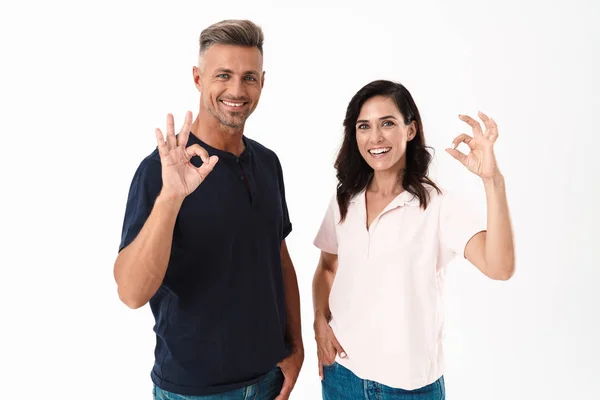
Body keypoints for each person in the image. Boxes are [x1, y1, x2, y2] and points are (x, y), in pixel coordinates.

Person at [113, 19, 304, 400]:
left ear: (262, 82)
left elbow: (278, 256)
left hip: (269, 381)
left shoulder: (267, 163)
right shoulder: (161, 170)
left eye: (249, 77)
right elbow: (131, 293)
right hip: (195, 391)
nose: (237, 90)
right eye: (223, 75)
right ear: (198, 78)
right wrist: (171, 196)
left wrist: (295, 346)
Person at [312, 80, 515, 399]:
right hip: (341, 378)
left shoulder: (439, 205)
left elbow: (499, 267)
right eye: (364, 126)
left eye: (387, 123)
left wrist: (493, 180)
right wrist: (319, 324)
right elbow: (326, 267)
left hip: (408, 389)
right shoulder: (345, 199)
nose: (375, 137)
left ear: (411, 130)